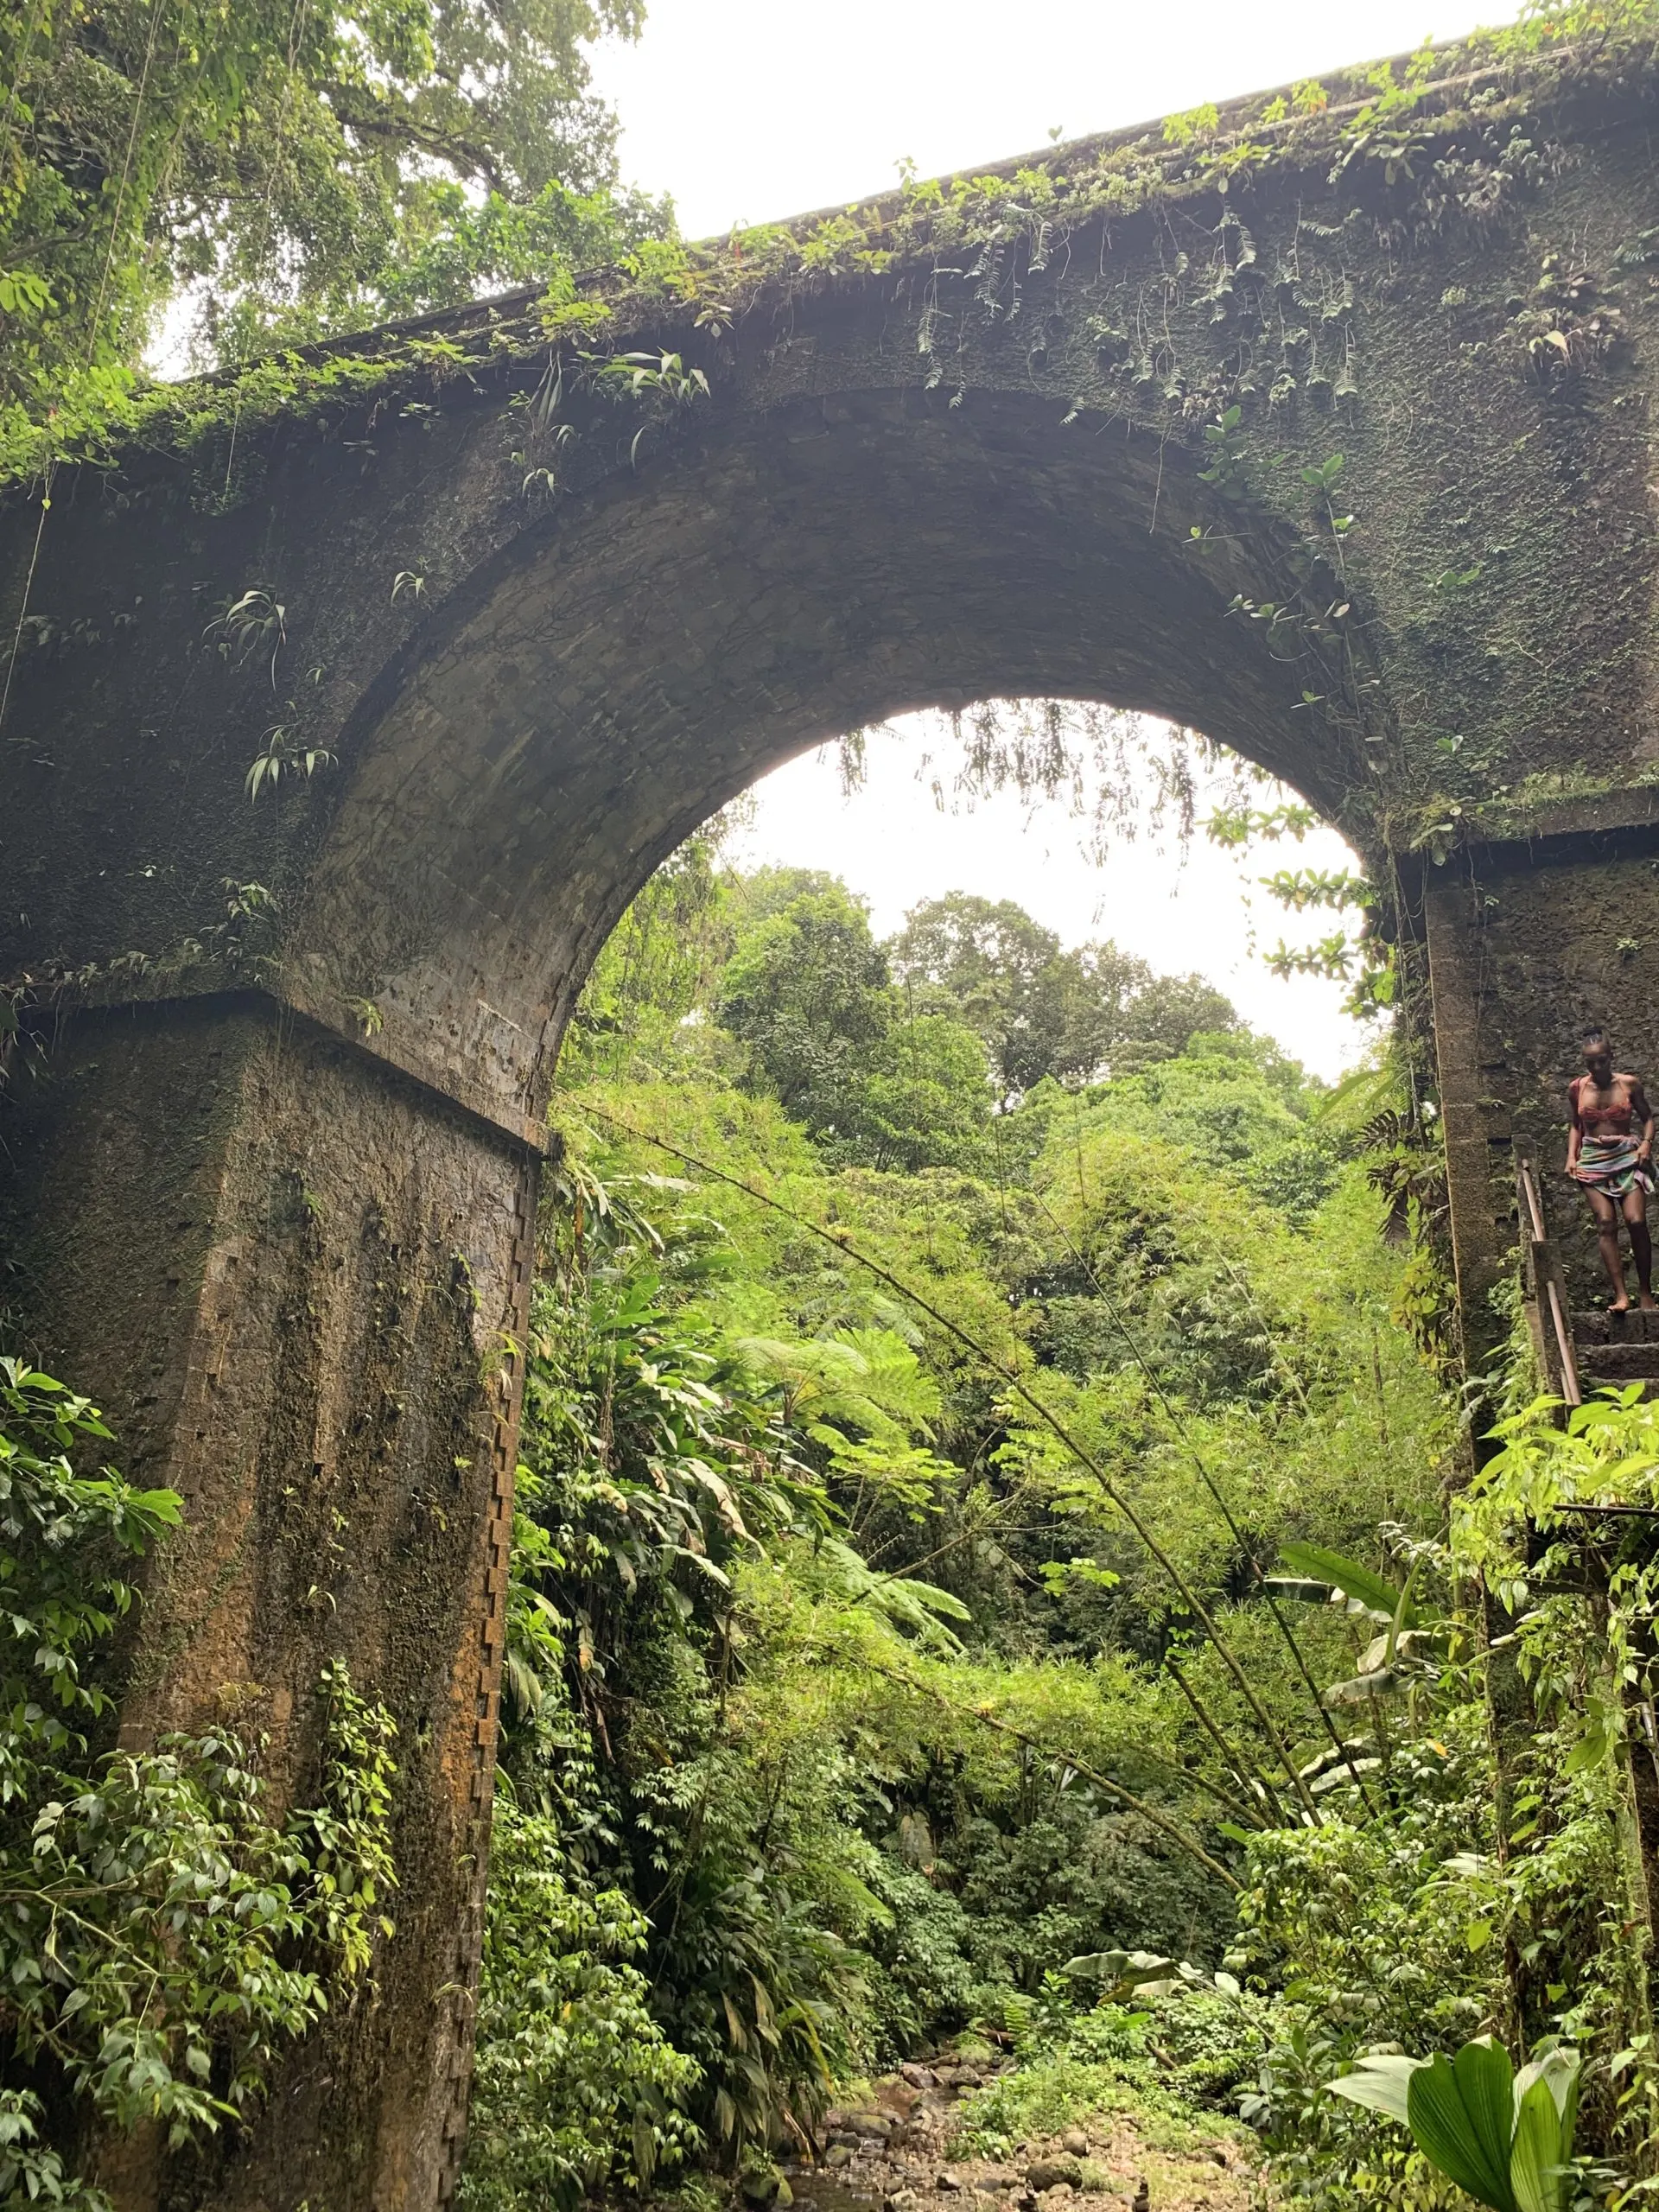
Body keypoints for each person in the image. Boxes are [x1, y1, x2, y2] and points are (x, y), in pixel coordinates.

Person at [1567, 1027, 1657, 1312]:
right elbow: (1575, 1124)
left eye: (1601, 1061)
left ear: (1611, 1057)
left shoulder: (1629, 1084)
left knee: (1636, 1221)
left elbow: (1648, 1117)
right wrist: (1572, 1156)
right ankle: (1621, 1295)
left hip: (1627, 1156)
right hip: (1592, 1160)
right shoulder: (1578, 1088)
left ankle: (1645, 1292)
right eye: (1589, 1063)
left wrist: (1646, 1144)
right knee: (1606, 1223)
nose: (1596, 1067)